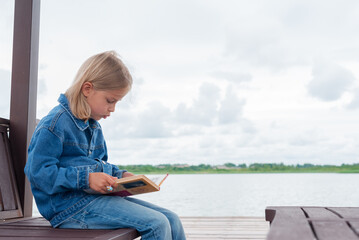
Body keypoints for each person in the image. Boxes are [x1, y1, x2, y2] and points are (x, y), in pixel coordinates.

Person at [25, 51, 186, 240]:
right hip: (67, 208)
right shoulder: (54, 124)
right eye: (110, 101)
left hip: (94, 200)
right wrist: (87, 179)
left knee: (172, 219)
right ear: (87, 89)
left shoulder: (94, 126)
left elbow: (99, 165)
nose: (113, 109)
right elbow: (38, 173)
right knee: (157, 224)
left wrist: (121, 177)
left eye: (117, 102)